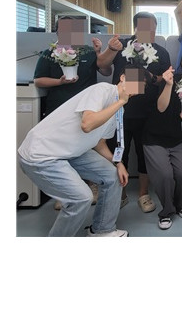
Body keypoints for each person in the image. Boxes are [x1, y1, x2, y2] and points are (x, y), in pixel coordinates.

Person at [17, 75, 132, 237]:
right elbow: (87, 124)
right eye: (136, 80)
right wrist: (121, 101)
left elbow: (99, 143)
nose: (137, 86)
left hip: (71, 152)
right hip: (42, 154)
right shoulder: (102, 90)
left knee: (113, 175)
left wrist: (118, 163)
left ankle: (102, 230)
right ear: (123, 77)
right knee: (81, 198)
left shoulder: (119, 110)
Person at [33, 17, 115, 209]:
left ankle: (93, 186)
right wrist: (59, 81)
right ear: (58, 32)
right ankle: (66, 192)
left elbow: (105, 71)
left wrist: (100, 52)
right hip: (59, 110)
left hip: (87, 109)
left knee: (89, 147)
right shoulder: (48, 54)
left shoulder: (87, 51)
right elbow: (38, 80)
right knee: (63, 151)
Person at [99, 12, 171, 212]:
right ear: (136, 28)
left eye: (153, 28)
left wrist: (150, 77)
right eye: (145, 28)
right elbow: (102, 66)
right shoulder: (121, 46)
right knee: (118, 152)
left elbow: (166, 79)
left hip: (148, 111)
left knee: (144, 153)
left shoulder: (161, 52)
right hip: (119, 110)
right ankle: (120, 194)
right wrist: (110, 49)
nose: (150, 32)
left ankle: (143, 194)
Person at [142, 65, 182, 230]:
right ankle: (166, 212)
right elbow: (161, 108)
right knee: (165, 175)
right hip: (154, 138)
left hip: (177, 138)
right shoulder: (168, 81)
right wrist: (169, 84)